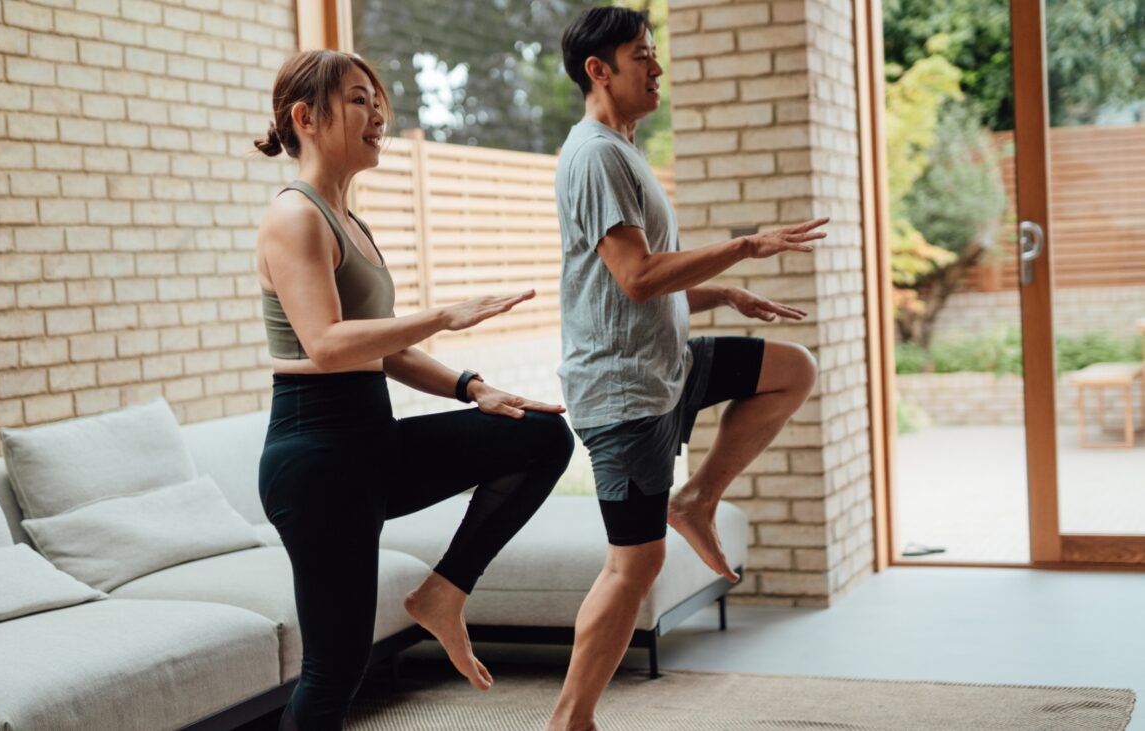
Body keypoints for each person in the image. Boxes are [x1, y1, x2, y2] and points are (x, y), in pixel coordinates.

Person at [252, 49, 575, 731]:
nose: (378, 115)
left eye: (378, 101)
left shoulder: (350, 221)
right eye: (358, 100)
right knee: (335, 671)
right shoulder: (294, 216)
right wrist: (443, 314)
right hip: (316, 458)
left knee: (541, 436)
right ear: (306, 117)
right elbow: (326, 343)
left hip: (370, 443)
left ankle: (444, 593)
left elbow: (387, 349)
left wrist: (473, 387)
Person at [546, 8, 825, 730]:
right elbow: (638, 277)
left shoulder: (622, 150)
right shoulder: (595, 156)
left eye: (655, 53)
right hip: (624, 391)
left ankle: (696, 499)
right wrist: (746, 247)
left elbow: (626, 289)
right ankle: (570, 720)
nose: (657, 67)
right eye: (642, 55)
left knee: (791, 369)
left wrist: (720, 293)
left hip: (665, 366)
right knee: (633, 565)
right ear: (598, 70)